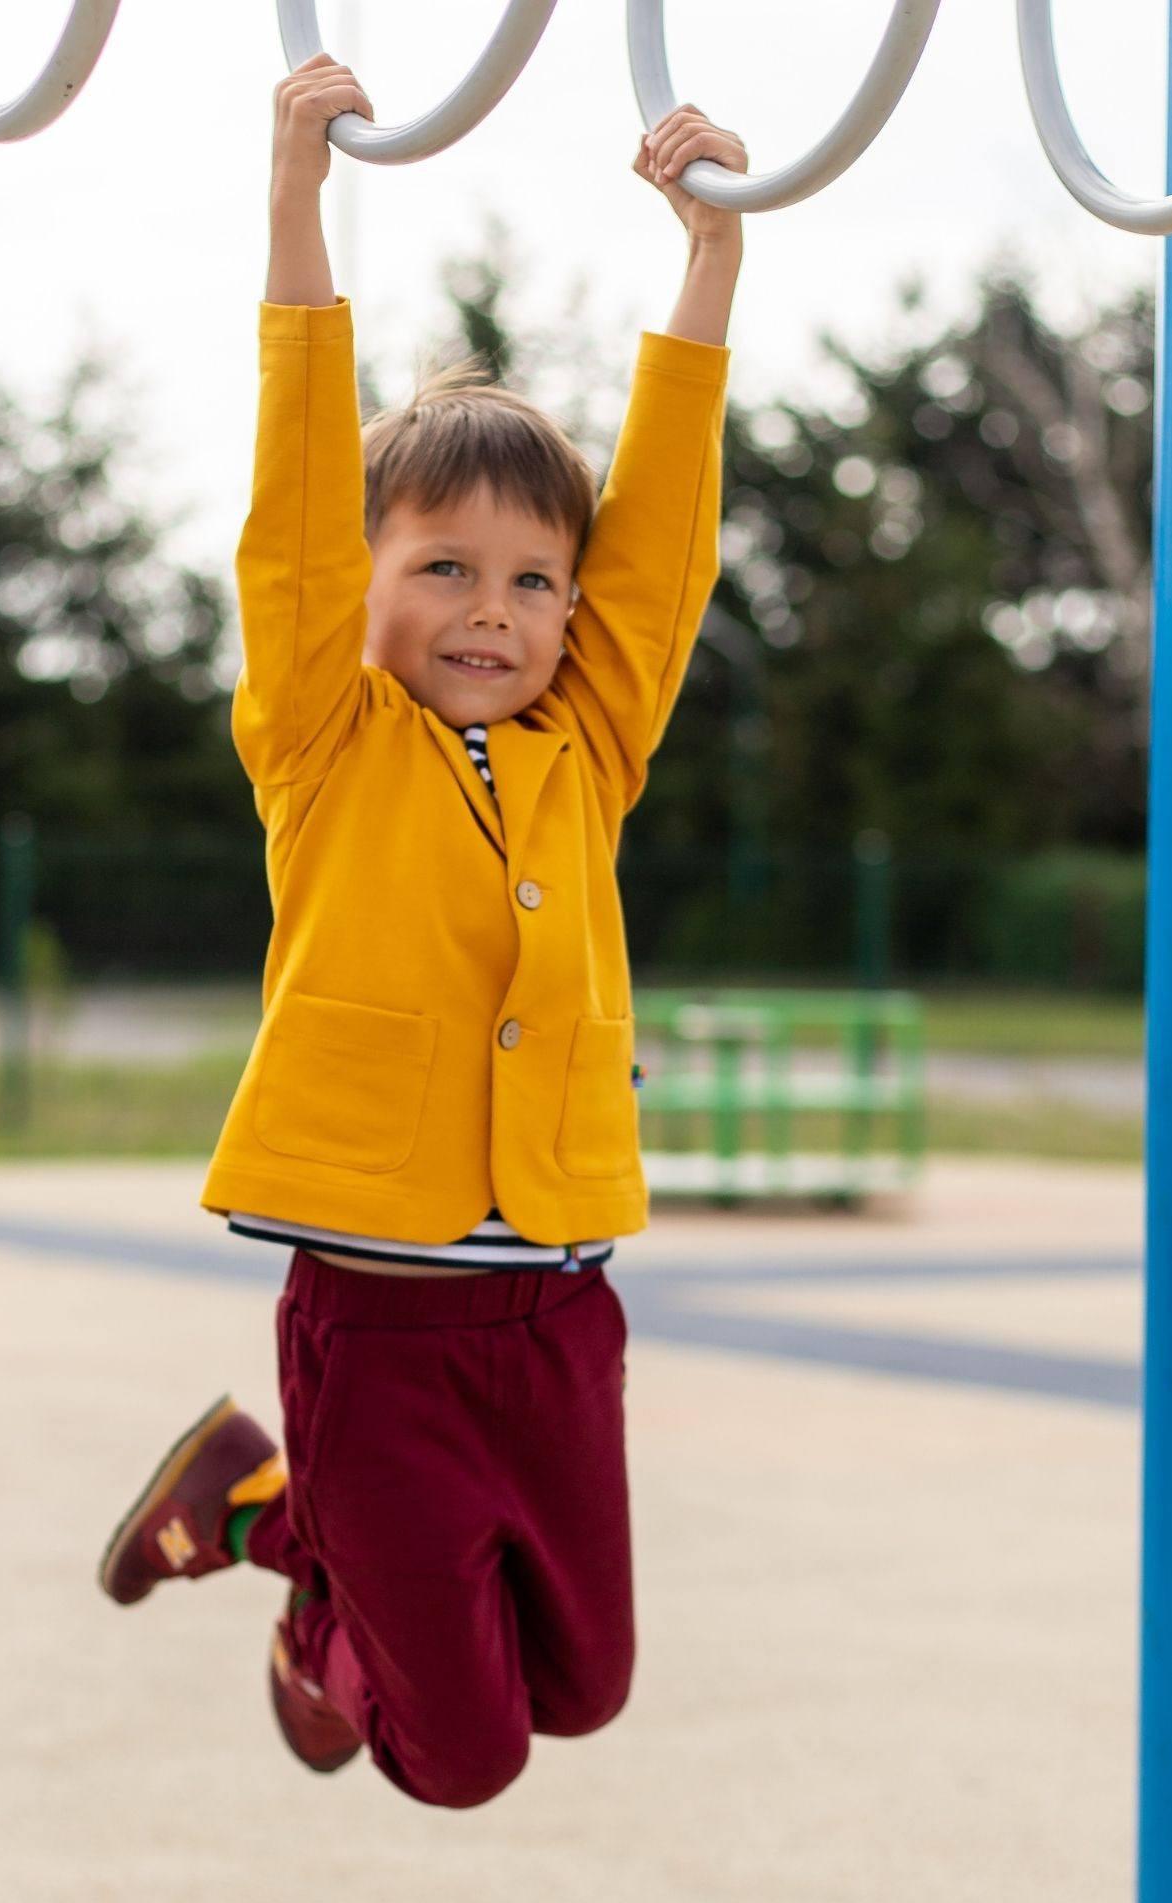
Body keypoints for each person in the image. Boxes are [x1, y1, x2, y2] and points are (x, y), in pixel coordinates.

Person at [97, 52, 743, 1810]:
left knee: (583, 1691)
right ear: (372, 592)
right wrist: (303, 202)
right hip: (376, 1334)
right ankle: (292, 1559)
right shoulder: (323, 741)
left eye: (533, 579)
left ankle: (259, 1508)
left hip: (551, 1319)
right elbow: (292, 522)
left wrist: (710, 260)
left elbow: (663, 557)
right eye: (444, 567)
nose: (495, 609)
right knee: (458, 1761)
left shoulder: (582, 756)